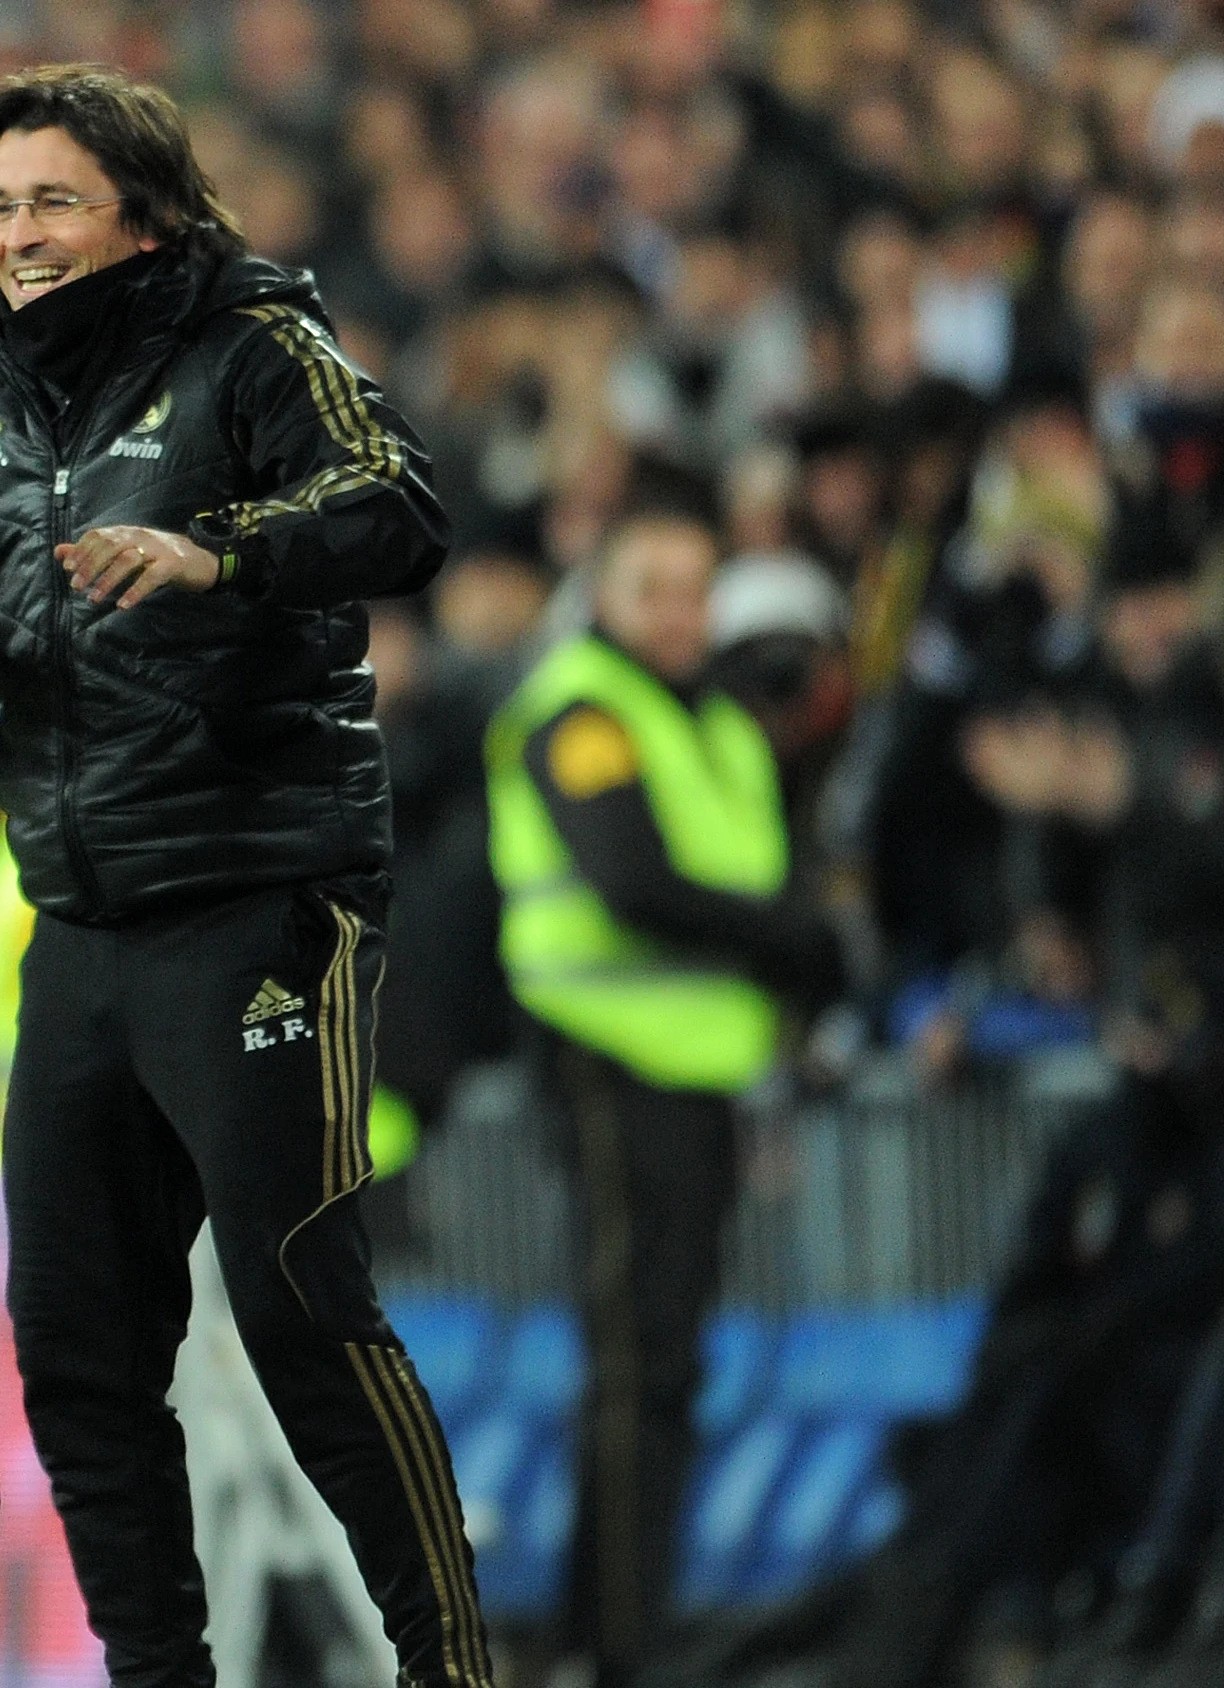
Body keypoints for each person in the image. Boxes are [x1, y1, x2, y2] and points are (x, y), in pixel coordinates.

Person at [0, 63, 493, 1688]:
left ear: (148, 213)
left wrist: (228, 549)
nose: (18, 233)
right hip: (80, 927)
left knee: (298, 1311)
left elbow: (400, 508)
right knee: (75, 1355)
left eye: (55, 198)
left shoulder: (254, 349)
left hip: (262, 898)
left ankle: (454, 1669)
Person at [482, 510, 842, 1688]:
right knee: (642, 1364)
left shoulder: (719, 722)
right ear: (607, 594)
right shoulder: (583, 711)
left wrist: (787, 977)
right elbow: (632, 879)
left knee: (661, 1364)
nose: (682, 615)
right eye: (656, 590)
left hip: (699, 1074)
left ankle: (609, 1634)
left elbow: (756, 875)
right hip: (610, 1063)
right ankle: (619, 1645)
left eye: (697, 591)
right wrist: (794, 942)